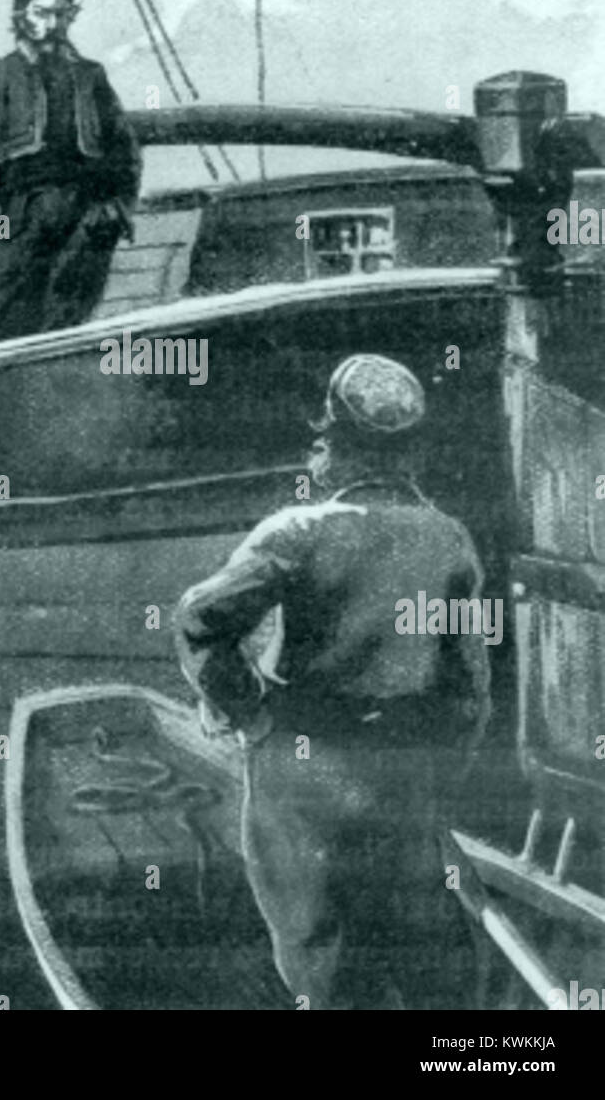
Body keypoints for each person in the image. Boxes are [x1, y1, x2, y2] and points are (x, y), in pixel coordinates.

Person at [174, 354, 493, 1010]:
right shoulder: (449, 540)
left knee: (317, 942)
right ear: (409, 456)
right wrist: (437, 773)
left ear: (338, 450)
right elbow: (467, 689)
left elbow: (199, 620)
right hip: (401, 768)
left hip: (301, 765)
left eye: (323, 440)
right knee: (418, 935)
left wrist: (246, 712)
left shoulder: (295, 533)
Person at [0, 0, 142, 344]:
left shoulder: (90, 75)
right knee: (3, 305)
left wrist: (116, 206)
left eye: (61, 14)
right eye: (41, 13)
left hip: (85, 210)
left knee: (71, 306)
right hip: (16, 211)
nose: (52, 24)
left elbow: (123, 149)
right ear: (21, 16)